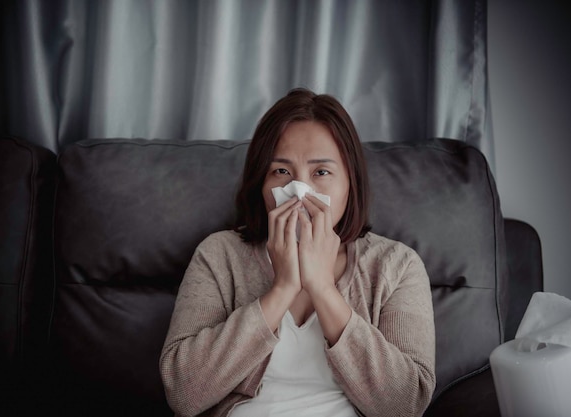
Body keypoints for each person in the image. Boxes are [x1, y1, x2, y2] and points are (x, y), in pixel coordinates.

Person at [160, 88, 435, 417]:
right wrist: (282, 288)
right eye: (281, 172)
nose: (300, 191)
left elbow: (407, 404)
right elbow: (182, 392)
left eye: (321, 172)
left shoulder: (397, 266)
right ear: (260, 183)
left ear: (351, 183)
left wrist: (322, 288)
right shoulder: (219, 254)